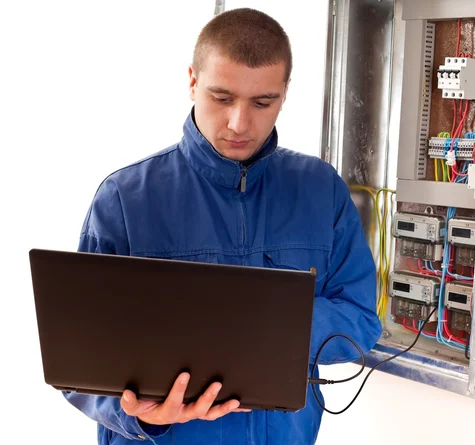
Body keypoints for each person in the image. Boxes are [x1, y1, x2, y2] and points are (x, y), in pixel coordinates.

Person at [65, 7, 382, 445]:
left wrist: (271, 328)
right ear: (192, 81)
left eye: (262, 102)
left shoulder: (321, 191)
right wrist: (143, 416)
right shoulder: (126, 198)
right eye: (222, 97)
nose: (239, 123)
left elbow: (362, 320)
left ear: (285, 93)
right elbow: (78, 360)